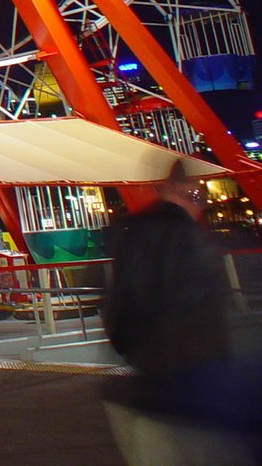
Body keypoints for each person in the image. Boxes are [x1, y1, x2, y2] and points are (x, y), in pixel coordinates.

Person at [101, 165, 261, 463]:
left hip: (153, 385)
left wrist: (134, 350)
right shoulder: (189, 236)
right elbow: (201, 304)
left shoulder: (133, 228)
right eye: (198, 196)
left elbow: (121, 305)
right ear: (186, 193)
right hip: (196, 384)